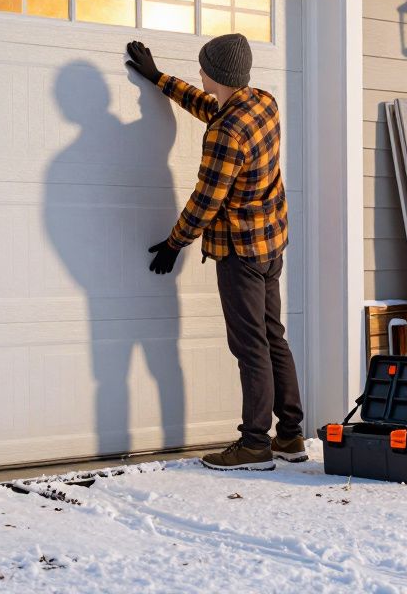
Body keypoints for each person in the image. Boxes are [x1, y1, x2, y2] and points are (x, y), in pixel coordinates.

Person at [125, 33, 305, 471]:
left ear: (217, 73)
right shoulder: (261, 102)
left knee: (250, 347)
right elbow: (214, 108)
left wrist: (174, 243)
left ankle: (255, 445)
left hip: (242, 251)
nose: (199, 72)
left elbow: (206, 200)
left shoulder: (226, 134)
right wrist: (160, 80)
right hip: (271, 243)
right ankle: (291, 435)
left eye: (202, 67)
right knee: (272, 336)